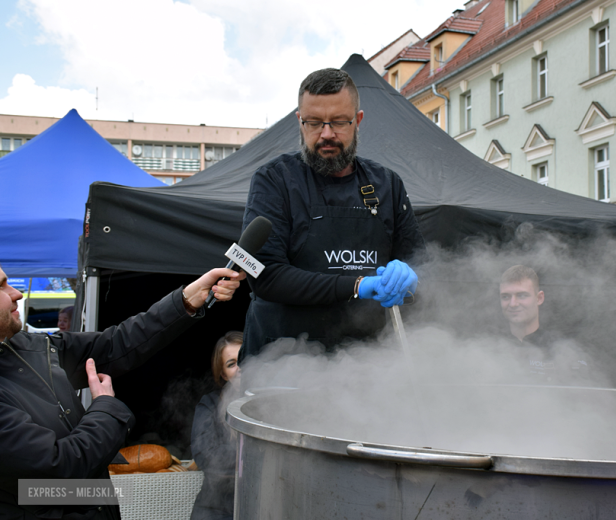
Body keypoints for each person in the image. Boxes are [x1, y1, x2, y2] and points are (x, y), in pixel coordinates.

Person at [0, 265, 245, 519]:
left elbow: (116, 344)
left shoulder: (29, 347)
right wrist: (105, 408)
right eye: (1, 286)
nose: (16, 293)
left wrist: (187, 300)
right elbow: (57, 470)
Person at [241, 67, 425, 355]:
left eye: (339, 122)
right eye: (314, 123)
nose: (326, 134)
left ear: (358, 120)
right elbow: (266, 276)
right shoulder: (274, 180)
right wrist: (358, 285)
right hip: (283, 360)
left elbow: (420, 263)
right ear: (299, 121)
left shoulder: (387, 184)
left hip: (367, 360)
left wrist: (411, 277)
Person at [499, 265, 592, 385]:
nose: (513, 304)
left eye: (522, 295)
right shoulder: (489, 348)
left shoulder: (565, 352)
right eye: (505, 297)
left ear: (539, 298)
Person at [190, 331, 243, 520]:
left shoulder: (271, 405)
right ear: (223, 374)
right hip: (215, 510)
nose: (240, 368)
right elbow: (205, 455)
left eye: (243, 359)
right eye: (231, 364)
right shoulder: (210, 404)